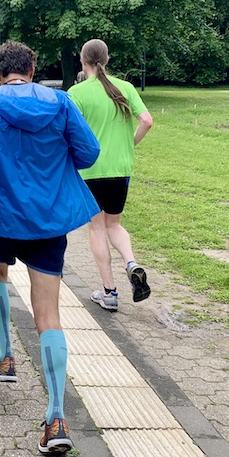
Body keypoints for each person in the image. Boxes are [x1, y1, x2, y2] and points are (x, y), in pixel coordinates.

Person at [0, 41, 100, 455]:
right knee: (48, 314)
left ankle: (5, 357)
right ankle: (56, 419)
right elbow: (89, 153)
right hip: (49, 221)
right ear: (32, 70)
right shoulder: (61, 102)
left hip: (1, 218)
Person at [68, 39, 154, 311]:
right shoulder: (125, 88)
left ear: (82, 60)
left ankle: (109, 292)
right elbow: (147, 120)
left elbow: (70, 131)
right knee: (114, 225)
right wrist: (130, 144)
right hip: (120, 168)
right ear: (107, 59)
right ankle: (131, 263)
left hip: (90, 169)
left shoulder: (77, 92)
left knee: (97, 228)